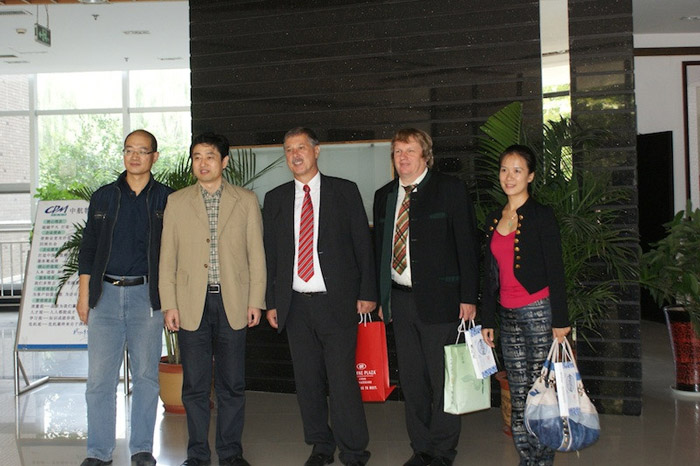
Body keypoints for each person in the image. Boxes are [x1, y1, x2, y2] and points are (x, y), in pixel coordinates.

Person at [263, 127, 375, 466]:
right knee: (307, 381)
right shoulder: (276, 198)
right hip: (295, 305)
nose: (295, 154)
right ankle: (320, 446)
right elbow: (271, 255)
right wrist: (272, 301)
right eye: (288, 149)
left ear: (316, 150)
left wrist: (368, 291)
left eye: (301, 147)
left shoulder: (344, 191)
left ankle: (353, 450)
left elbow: (363, 245)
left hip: (336, 302)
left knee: (342, 380)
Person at [373, 128, 479, 466]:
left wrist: (469, 297)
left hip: (442, 303)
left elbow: (467, 245)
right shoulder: (384, 195)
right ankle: (421, 449)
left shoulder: (450, 189)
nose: (402, 157)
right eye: (397, 151)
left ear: (425, 155)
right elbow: (379, 251)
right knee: (413, 382)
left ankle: (443, 452)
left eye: (410, 150)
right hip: (400, 303)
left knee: (443, 379)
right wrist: (381, 299)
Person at [159, 132, 266, 466]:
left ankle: (230, 452)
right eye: (196, 157)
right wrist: (169, 303)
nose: (202, 163)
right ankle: (197, 454)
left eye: (209, 156)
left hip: (233, 301)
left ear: (224, 161)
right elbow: (167, 257)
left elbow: (256, 254)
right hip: (191, 303)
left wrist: (256, 300)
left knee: (232, 384)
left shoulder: (245, 200)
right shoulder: (177, 201)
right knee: (194, 385)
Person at [77, 129, 173, 466]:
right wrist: (84, 294)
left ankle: (142, 449)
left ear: (154, 157)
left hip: (146, 297)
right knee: (99, 380)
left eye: (142, 151)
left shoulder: (167, 199)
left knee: (146, 378)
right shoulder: (103, 197)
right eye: (129, 149)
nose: (134, 156)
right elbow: (88, 248)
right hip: (104, 296)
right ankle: (98, 452)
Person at [480, 144, 572, 466]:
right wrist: (487, 319)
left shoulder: (541, 215)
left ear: (530, 176)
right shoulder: (494, 218)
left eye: (517, 170)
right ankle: (527, 458)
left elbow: (556, 269)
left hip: (539, 313)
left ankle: (542, 460)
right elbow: (489, 273)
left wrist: (560, 320)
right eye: (505, 169)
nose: (509, 176)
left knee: (540, 393)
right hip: (507, 315)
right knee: (518, 395)